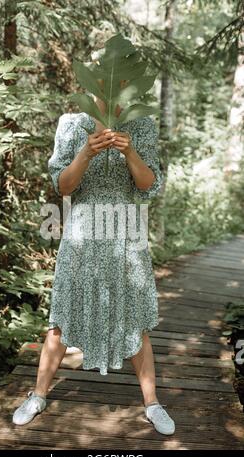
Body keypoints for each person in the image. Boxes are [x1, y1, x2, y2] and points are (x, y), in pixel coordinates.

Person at [12, 83, 175, 436]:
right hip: (83, 232)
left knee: (134, 318)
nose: (111, 85)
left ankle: (152, 404)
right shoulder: (71, 123)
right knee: (62, 316)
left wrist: (130, 152)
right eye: (101, 80)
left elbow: (148, 186)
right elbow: (64, 187)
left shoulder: (142, 124)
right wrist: (86, 152)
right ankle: (37, 396)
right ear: (92, 83)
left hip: (126, 233)